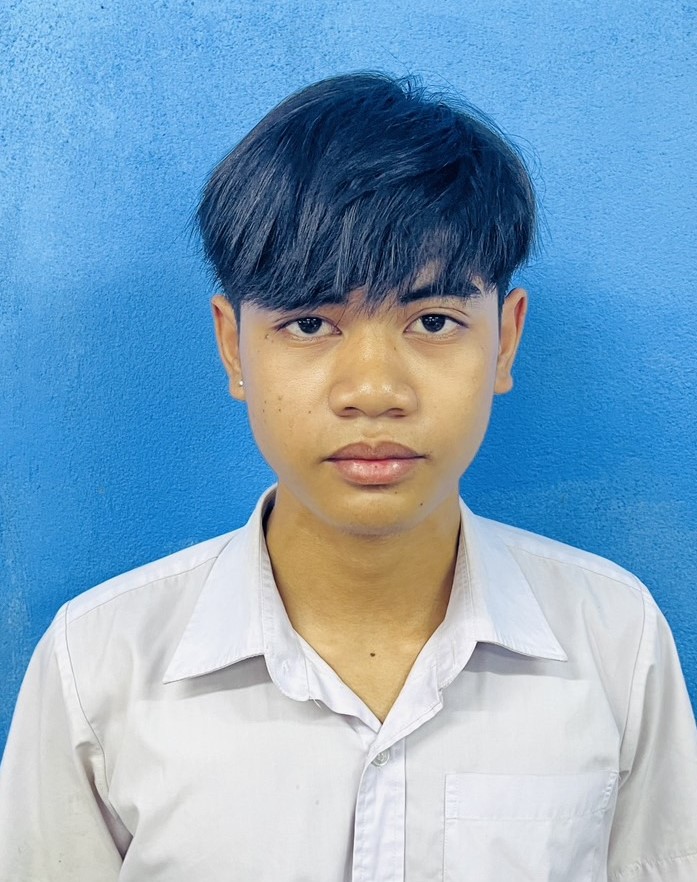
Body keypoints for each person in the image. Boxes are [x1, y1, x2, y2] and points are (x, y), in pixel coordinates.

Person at [1, 71, 696, 882]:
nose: (372, 390)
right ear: (233, 347)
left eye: (432, 320)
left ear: (504, 342)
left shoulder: (613, 639)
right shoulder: (97, 665)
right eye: (308, 323)